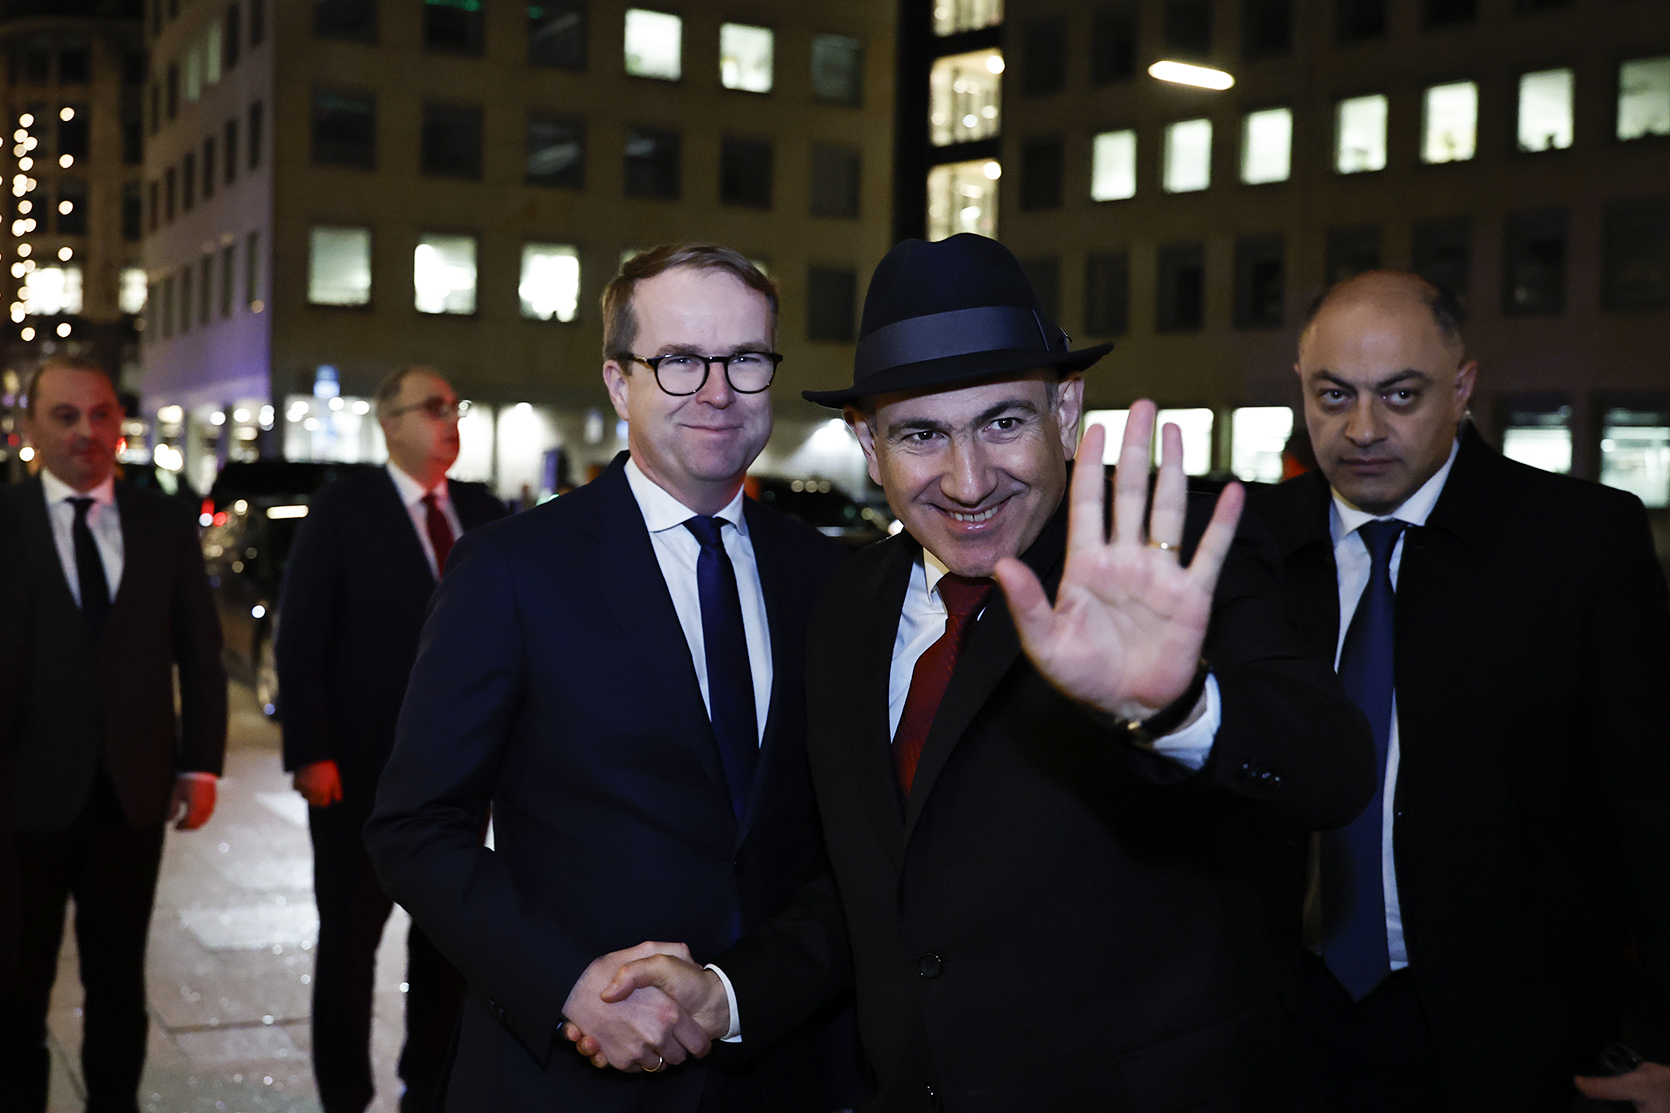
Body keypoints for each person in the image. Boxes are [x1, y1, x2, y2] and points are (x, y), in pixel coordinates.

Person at [575, 233, 1377, 1110]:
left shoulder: (1164, 555)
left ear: (1065, 411)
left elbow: (1331, 766)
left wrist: (1180, 710)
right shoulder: (848, 606)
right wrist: (729, 994)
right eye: (921, 434)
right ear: (868, 445)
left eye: (1002, 422)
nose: (967, 481)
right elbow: (873, 888)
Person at [364, 244, 856, 1111]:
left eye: (745, 358)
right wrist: (566, 985)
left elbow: (848, 848)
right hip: (569, 1078)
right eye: (679, 360)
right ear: (619, 382)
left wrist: (741, 993)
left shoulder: (828, 579)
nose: (717, 390)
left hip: (778, 1068)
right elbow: (415, 828)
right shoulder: (512, 570)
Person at [1247, 270, 1670, 1112]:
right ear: (1301, 386)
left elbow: (1653, 807)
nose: (1363, 429)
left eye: (1401, 395)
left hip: (1518, 1043)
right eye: (1334, 395)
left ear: (1463, 387)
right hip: (1282, 1024)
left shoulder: (1580, 543)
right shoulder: (1249, 544)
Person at [276, 365, 506, 1113]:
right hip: (359, 774)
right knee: (349, 944)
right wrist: (310, 750)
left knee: (446, 947)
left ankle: (430, 1089)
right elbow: (301, 635)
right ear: (390, 423)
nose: (450, 420)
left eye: (455, 407)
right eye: (433, 407)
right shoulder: (344, 509)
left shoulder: (482, 511)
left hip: (462, 777)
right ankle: (345, 1095)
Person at [0, 356, 226, 1113]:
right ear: (31, 427)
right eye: (65, 416)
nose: (86, 432)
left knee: (119, 982)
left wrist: (201, 765)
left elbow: (200, 652)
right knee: (16, 985)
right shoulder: (6, 521)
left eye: (100, 415)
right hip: (21, 796)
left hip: (131, 794)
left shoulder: (161, 522)